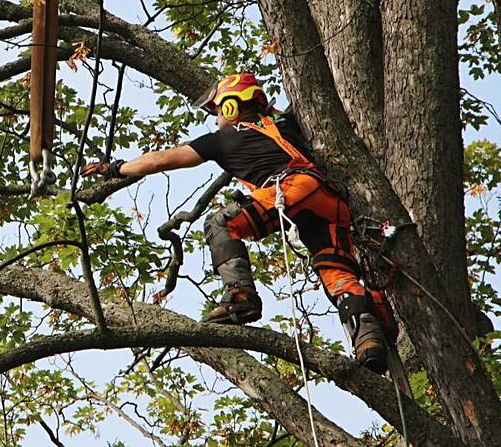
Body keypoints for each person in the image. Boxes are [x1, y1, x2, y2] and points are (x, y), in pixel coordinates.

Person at [82, 72, 389, 373]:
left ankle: (241, 296)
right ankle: (370, 334)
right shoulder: (289, 122)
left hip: (291, 190)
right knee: (336, 272)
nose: (215, 118)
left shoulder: (223, 138)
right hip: (329, 204)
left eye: (217, 111)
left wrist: (116, 168)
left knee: (221, 223)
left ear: (231, 105)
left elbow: (162, 159)